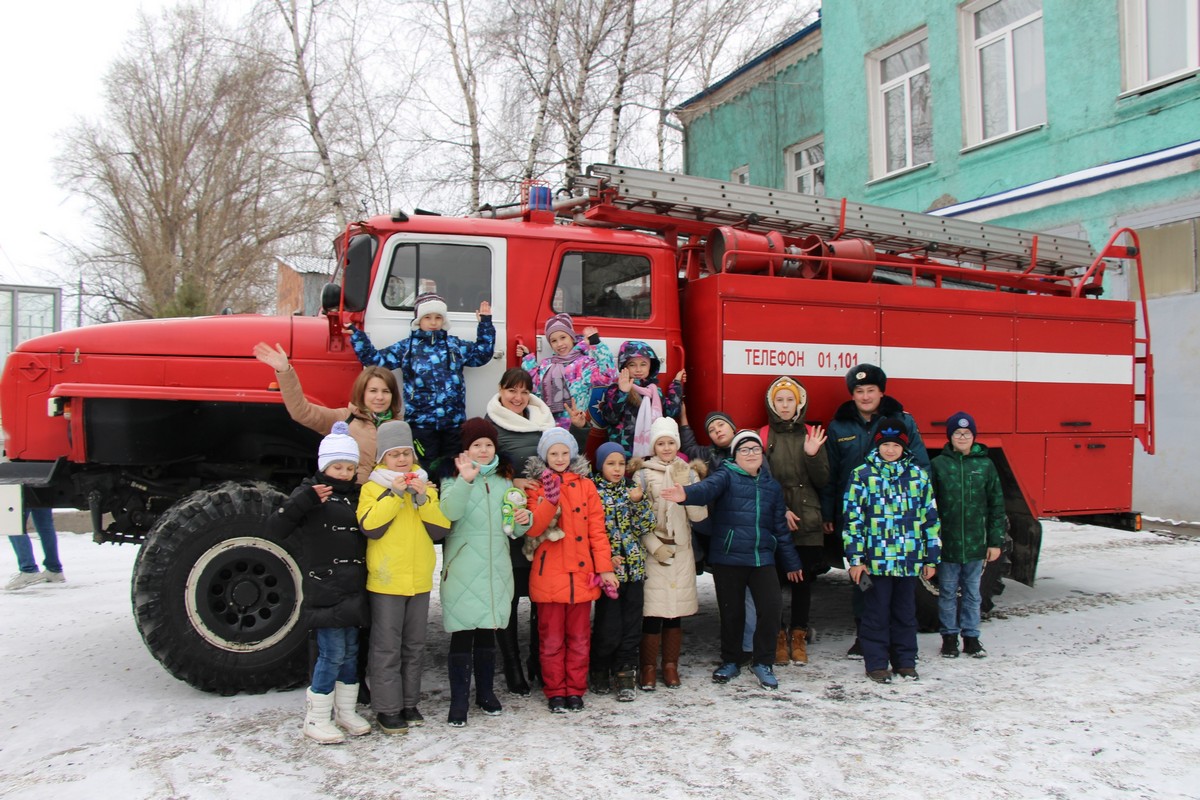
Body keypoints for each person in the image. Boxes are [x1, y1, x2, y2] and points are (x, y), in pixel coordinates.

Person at [660, 430, 804, 691]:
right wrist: (687, 494)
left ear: (762, 455)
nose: (751, 454)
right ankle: (731, 661)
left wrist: (792, 562)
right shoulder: (726, 475)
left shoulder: (771, 486)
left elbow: (780, 530)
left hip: (762, 558)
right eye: (744, 450)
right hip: (729, 557)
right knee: (732, 613)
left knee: (771, 610)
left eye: (755, 449)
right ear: (736, 455)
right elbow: (707, 489)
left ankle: (763, 662)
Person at [266, 422, 371, 744]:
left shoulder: (357, 497)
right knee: (331, 653)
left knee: (351, 651)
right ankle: (316, 717)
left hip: (353, 586)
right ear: (324, 466)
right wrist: (304, 501)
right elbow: (275, 528)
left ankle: (346, 710)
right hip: (325, 586)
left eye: (349, 467)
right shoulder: (309, 493)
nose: (343, 473)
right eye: (337, 466)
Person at [820, 363, 929, 658]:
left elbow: (921, 467)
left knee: (899, 585)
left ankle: (898, 641)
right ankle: (863, 635)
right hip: (857, 518)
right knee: (862, 578)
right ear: (852, 395)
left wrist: (919, 513)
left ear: (882, 392)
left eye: (871, 390)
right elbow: (831, 474)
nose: (865, 396)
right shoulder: (839, 426)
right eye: (859, 391)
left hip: (898, 519)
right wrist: (828, 514)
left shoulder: (901, 422)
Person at [357, 420, 451, 733]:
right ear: (382, 458)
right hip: (387, 581)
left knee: (414, 645)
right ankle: (387, 708)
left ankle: (409, 703)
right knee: (386, 647)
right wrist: (394, 496)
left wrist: (423, 498)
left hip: (419, 579)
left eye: (406, 453)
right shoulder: (372, 489)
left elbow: (440, 529)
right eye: (394, 454)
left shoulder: (424, 486)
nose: (401, 460)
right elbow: (370, 526)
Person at [438, 418, 532, 726]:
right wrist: (465, 481)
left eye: (488, 444)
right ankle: (459, 700)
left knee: (488, 634)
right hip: (464, 568)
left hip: (495, 568)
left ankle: (486, 693)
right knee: (463, 635)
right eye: (476, 445)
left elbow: (514, 530)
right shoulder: (452, 479)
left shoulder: (505, 481)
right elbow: (448, 515)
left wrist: (523, 518)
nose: (482, 450)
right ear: (466, 449)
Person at [522, 427, 617, 713]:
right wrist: (549, 502)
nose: (560, 458)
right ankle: (555, 691)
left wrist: (605, 569)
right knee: (551, 640)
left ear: (572, 453)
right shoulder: (536, 486)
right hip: (549, 575)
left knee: (579, 639)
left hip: (581, 576)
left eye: (564, 452)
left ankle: (575, 689)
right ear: (544, 455)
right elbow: (534, 529)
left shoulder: (586, 486)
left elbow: (597, 532)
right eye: (554, 453)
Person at [348, 292, 495, 474]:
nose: (433, 322)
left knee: (452, 469)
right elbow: (376, 360)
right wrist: (357, 337)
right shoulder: (407, 348)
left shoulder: (455, 346)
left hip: (453, 423)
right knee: (425, 468)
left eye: (438, 317)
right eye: (428, 317)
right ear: (419, 320)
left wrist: (485, 323)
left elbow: (482, 355)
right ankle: (426, 499)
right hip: (420, 424)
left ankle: (449, 500)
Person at [842, 420, 941, 684]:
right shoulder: (862, 475)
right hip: (875, 562)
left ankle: (905, 661)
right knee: (875, 613)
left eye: (894, 445)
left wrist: (931, 557)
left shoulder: (918, 476)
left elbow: (930, 520)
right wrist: (855, 559)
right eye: (884, 445)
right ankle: (876, 663)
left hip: (908, 560)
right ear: (877, 445)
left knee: (905, 613)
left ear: (903, 447)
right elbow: (853, 520)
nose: (889, 450)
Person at [483, 367, 560, 694]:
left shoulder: (545, 421)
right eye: (511, 390)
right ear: (500, 390)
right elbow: (478, 466)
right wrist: (509, 480)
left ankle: (537, 661)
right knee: (510, 597)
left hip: (542, 521)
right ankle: (512, 666)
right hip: (509, 522)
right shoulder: (488, 424)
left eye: (523, 391)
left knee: (542, 596)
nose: (517, 398)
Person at [254, 342, 402, 485]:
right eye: (373, 391)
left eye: (386, 391)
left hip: (389, 501)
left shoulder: (401, 426)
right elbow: (301, 411)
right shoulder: (344, 419)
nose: (380, 397)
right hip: (353, 498)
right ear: (361, 393)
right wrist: (285, 371)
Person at [630, 417, 707, 691]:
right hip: (655, 551)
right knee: (652, 613)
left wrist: (688, 489)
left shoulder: (689, 472)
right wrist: (654, 546)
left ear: (677, 444)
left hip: (681, 551)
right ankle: (648, 667)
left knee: (675, 613)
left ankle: (670, 665)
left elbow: (699, 516)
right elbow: (637, 516)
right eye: (660, 443)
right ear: (653, 445)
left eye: (670, 442)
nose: (666, 448)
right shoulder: (643, 473)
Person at [760, 376, 829, 666]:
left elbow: (823, 479)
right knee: (774, 582)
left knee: (802, 581)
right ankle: (777, 637)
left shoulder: (812, 434)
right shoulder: (763, 436)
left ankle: (798, 637)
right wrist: (780, 511)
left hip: (807, 518)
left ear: (798, 402)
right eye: (780, 400)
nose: (785, 405)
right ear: (772, 404)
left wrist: (812, 455)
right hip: (776, 518)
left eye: (790, 400)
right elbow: (761, 479)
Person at [930, 411, 1004, 659]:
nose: (962, 437)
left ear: (974, 436)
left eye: (967, 433)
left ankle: (971, 638)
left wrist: (995, 542)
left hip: (975, 544)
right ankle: (949, 638)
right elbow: (930, 506)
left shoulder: (985, 465)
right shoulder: (939, 465)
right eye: (957, 433)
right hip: (948, 544)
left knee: (973, 593)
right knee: (948, 592)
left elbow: (996, 506)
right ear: (950, 436)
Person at [589, 442, 653, 702]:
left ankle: (626, 672)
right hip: (609, 573)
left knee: (631, 626)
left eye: (621, 464)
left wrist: (638, 503)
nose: (617, 469)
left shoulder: (632, 490)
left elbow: (646, 525)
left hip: (634, 569)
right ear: (601, 465)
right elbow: (590, 531)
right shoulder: (593, 491)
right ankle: (600, 668)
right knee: (608, 626)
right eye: (610, 464)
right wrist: (604, 559)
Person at [516, 313, 617, 430]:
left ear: (571, 337)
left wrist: (597, 345)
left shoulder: (584, 364)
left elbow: (609, 376)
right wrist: (527, 358)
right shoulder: (547, 364)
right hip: (546, 426)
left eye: (563, 337)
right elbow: (534, 386)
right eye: (553, 341)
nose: (559, 344)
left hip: (573, 427)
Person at [596, 340, 683, 457]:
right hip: (623, 453)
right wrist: (622, 392)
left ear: (650, 366)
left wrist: (676, 383)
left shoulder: (654, 391)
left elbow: (671, 411)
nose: (638, 369)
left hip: (650, 453)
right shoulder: (616, 389)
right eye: (632, 365)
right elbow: (611, 418)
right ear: (624, 367)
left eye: (643, 364)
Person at [6, 507, 65, 590]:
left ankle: (29, 569)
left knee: (14, 524)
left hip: (20, 493)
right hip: (44, 493)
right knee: (45, 525)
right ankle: (54, 570)